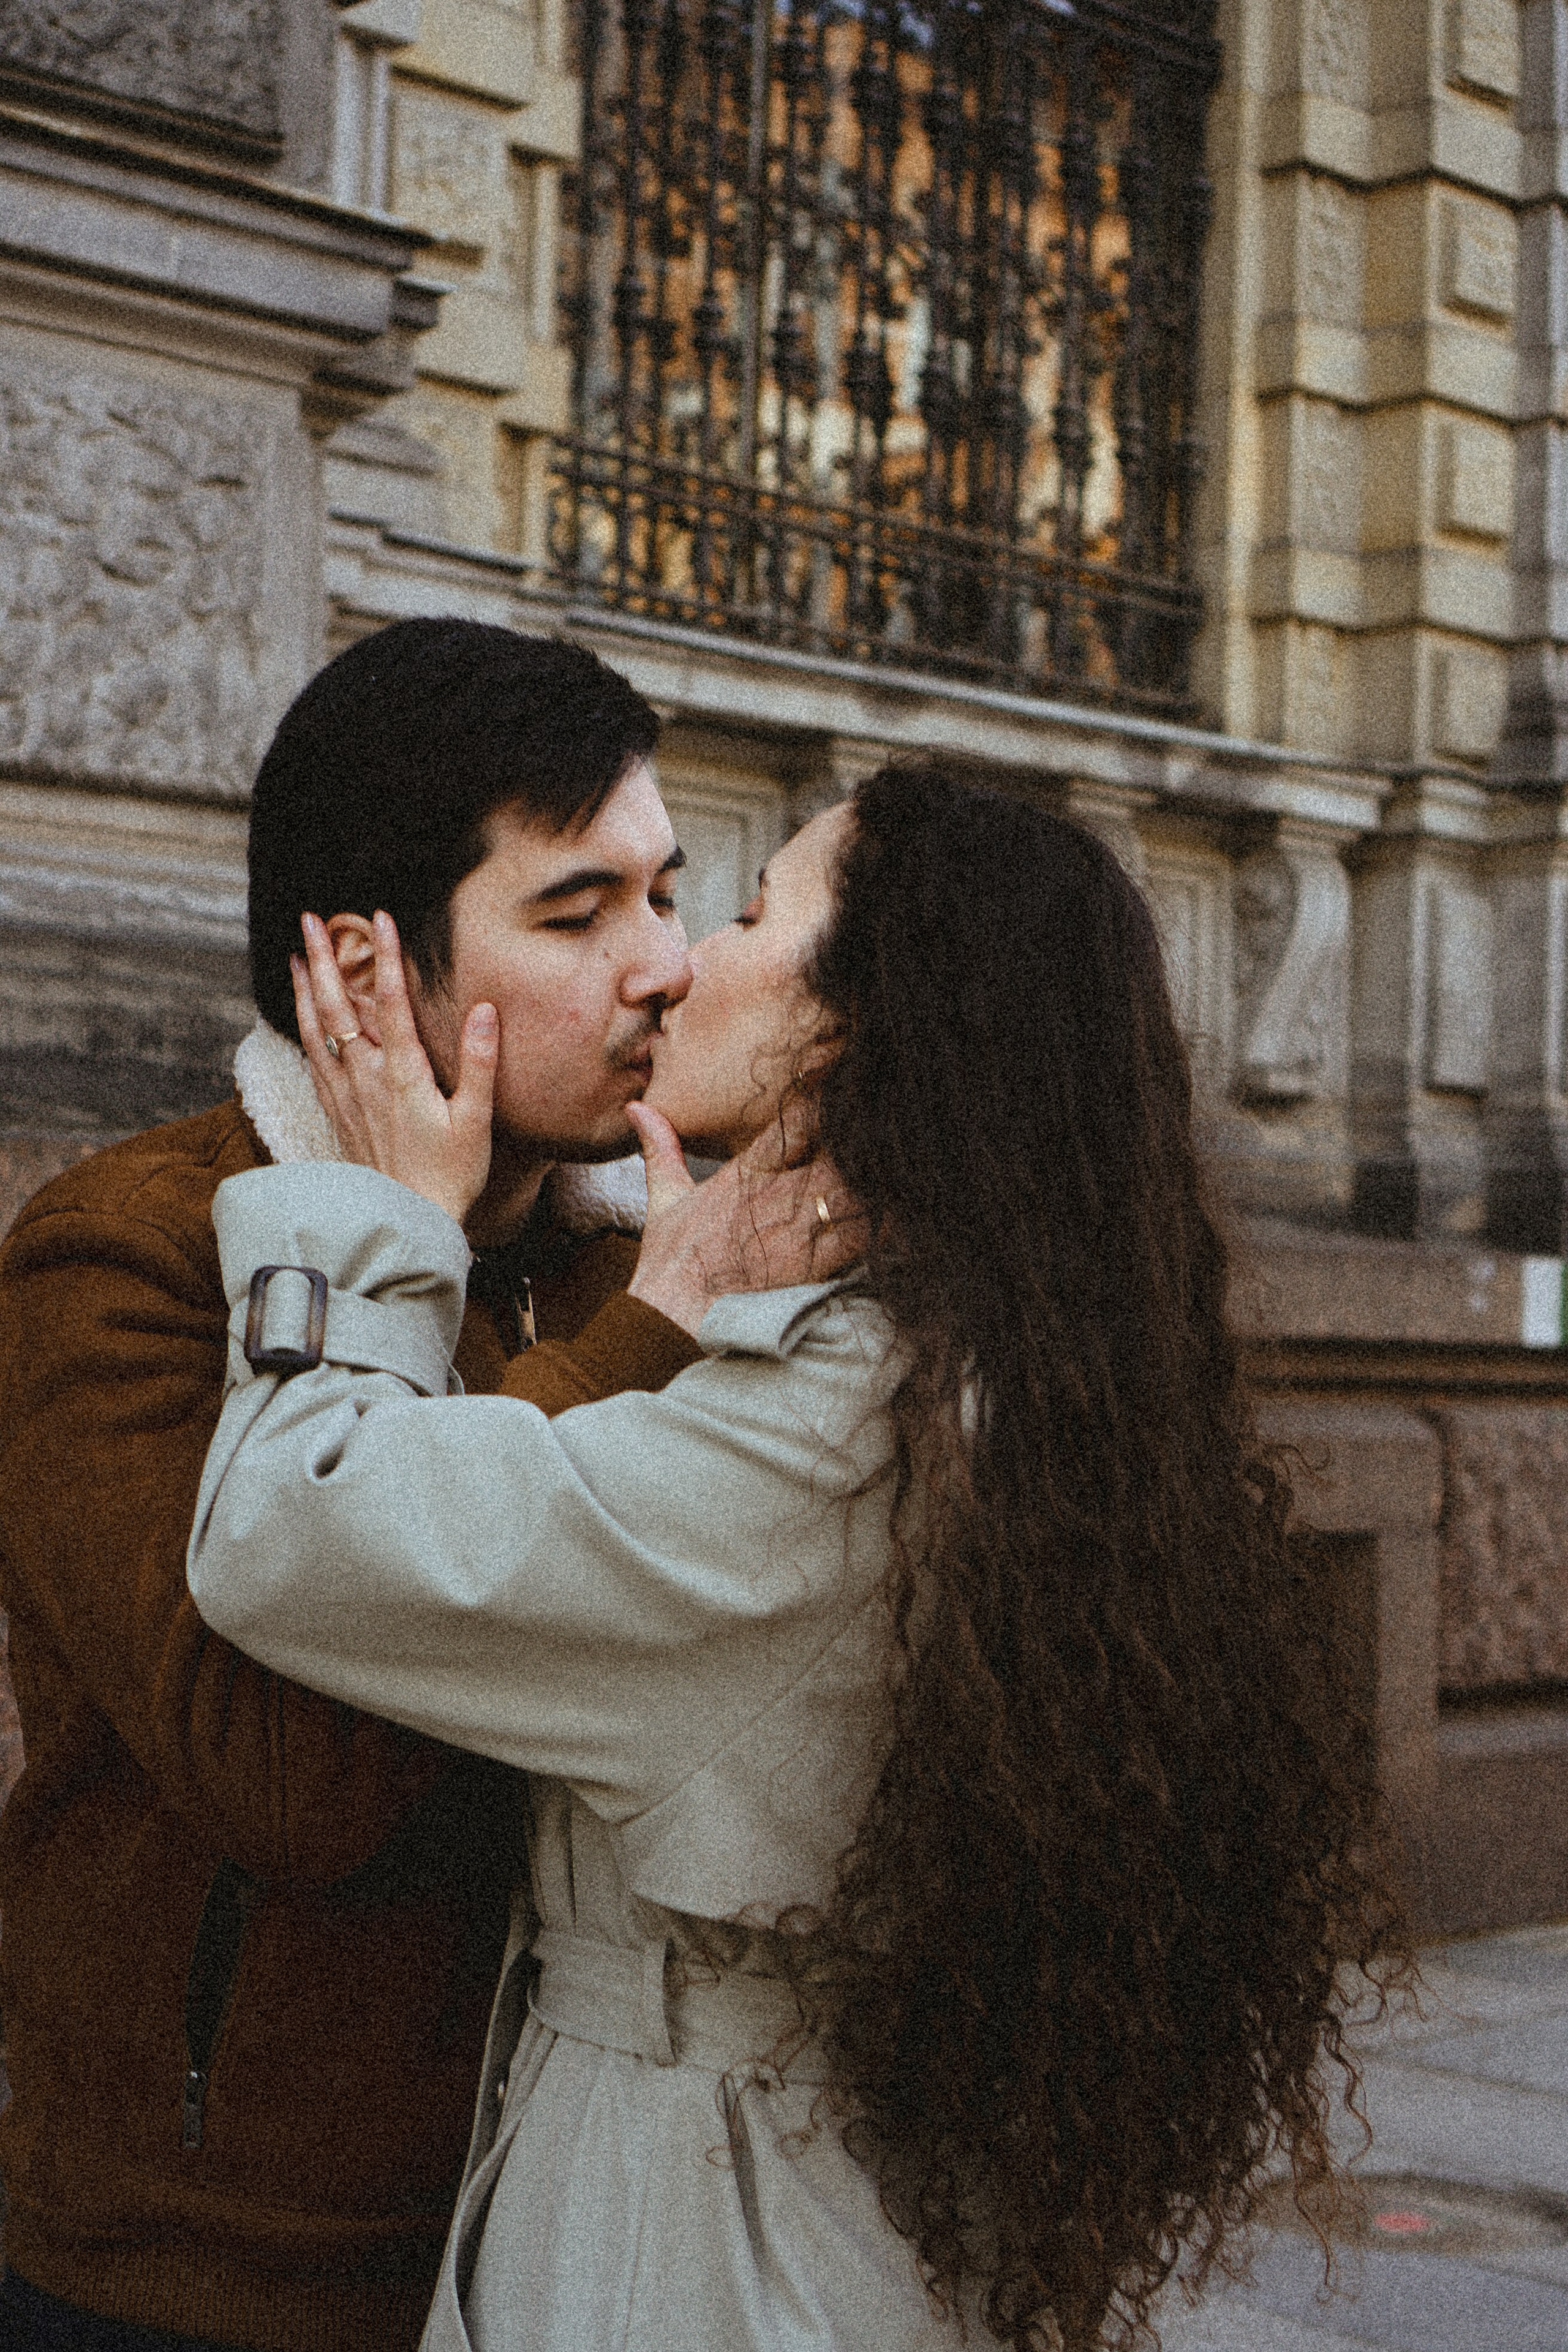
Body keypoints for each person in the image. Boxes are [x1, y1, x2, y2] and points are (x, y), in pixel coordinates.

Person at [186, 763, 1402, 2352]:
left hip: (690, 2238)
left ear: (853, 1024)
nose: (681, 961)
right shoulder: (996, 1365)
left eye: (752, 912)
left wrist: (370, 1213)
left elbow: (291, 1528)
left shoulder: (825, 1439)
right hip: (831, 2199)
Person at [0, 619, 843, 2352]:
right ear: (367, 969)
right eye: (575, 913)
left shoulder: (616, 1268)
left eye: (667, 893)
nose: (666, 966)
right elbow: (295, 1786)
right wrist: (635, 1336)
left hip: (528, 2245)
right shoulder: (123, 1257)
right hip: (191, 2272)